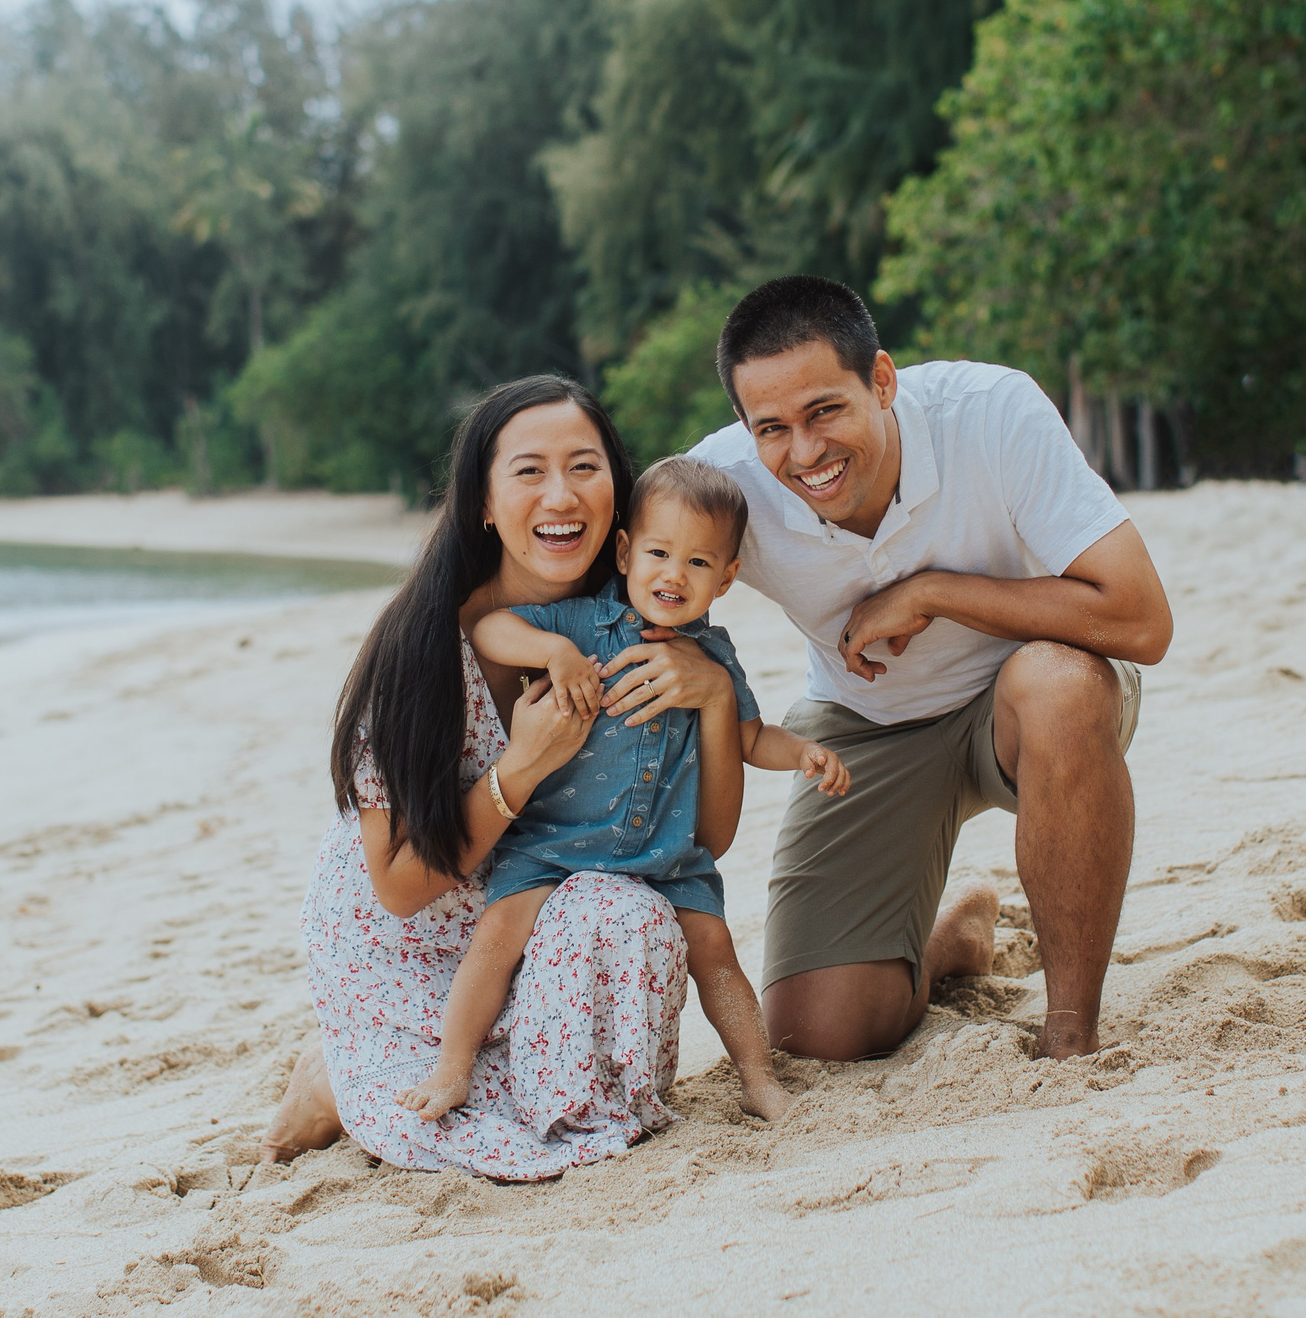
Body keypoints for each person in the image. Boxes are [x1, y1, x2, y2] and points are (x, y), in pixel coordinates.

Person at [263, 377, 756, 1178]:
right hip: (418, 955)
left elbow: (703, 841)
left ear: (619, 497)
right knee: (461, 1130)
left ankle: (345, 1085)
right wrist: (522, 766)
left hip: (554, 932)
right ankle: (332, 1076)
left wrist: (714, 698)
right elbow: (396, 885)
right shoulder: (421, 654)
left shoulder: (648, 626)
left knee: (627, 924)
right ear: (484, 503)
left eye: (584, 467)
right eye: (529, 470)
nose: (560, 495)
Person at [690, 276, 1174, 1063]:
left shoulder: (990, 412)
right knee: (818, 1034)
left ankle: (1070, 1032)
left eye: (824, 411)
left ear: (881, 380)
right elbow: (608, 579)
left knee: (1058, 684)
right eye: (772, 427)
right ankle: (952, 937)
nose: (805, 452)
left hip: (1025, 701)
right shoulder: (722, 483)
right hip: (865, 725)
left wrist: (935, 592)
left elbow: (1141, 618)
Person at [397, 455, 850, 1128]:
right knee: (496, 936)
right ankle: (454, 1065)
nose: (674, 574)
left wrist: (804, 752)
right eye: (660, 553)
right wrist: (552, 653)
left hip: (665, 855)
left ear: (726, 578)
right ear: (625, 551)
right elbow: (490, 628)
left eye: (699, 563)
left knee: (717, 953)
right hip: (553, 844)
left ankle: (758, 1075)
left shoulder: (716, 657)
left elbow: (752, 737)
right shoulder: (581, 624)